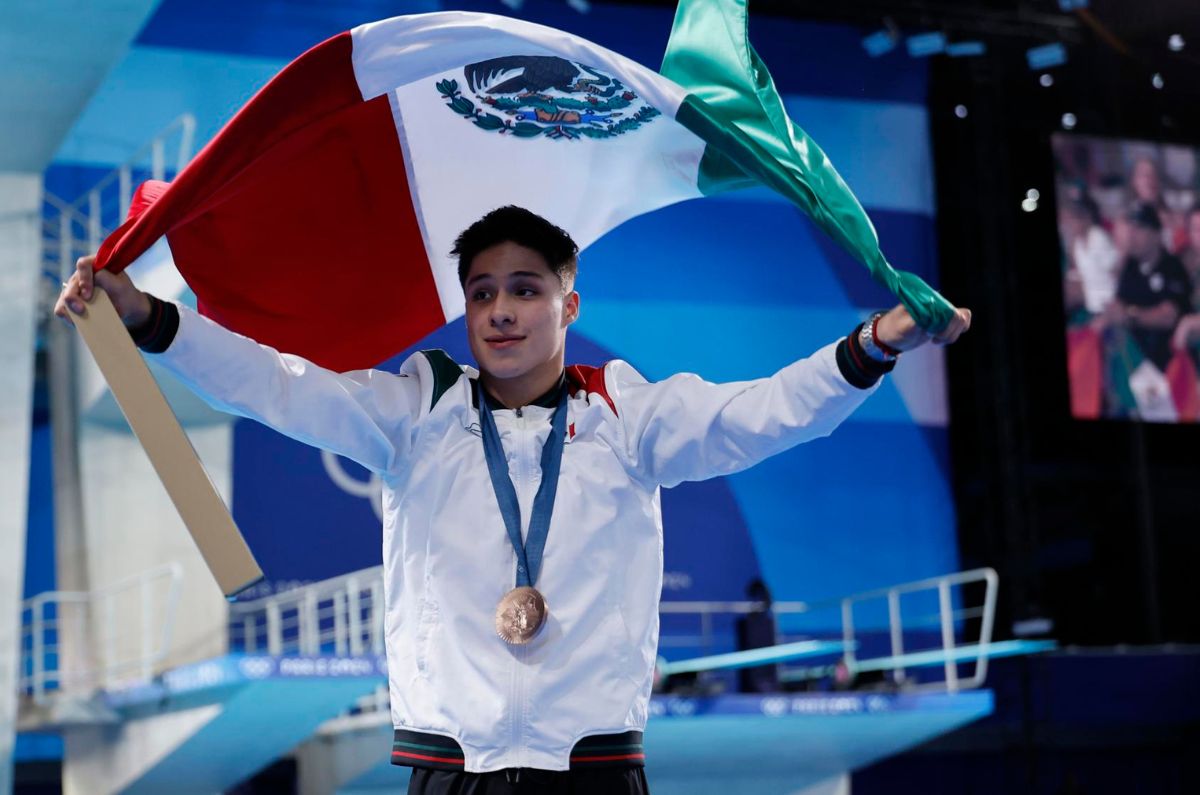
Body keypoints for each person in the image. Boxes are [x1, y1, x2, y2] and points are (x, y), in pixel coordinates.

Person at [56, 206, 971, 794]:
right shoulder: (413, 415)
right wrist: (151, 321)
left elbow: (766, 413)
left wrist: (873, 343)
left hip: (595, 772)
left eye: (526, 289)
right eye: (483, 291)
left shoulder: (628, 415)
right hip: (445, 771)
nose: (500, 310)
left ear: (569, 303)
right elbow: (277, 384)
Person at [1103, 203, 1192, 374]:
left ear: (1156, 235)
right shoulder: (1131, 265)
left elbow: (1168, 316)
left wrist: (1131, 316)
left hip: (1167, 360)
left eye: (1140, 229)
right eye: (1131, 229)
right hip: (1135, 359)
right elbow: (1119, 301)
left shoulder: (1172, 267)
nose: (1132, 235)